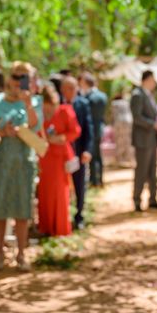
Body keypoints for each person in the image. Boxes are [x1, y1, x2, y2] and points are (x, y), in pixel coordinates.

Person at [0, 61, 42, 271]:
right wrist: (2, 132)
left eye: (24, 77)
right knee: (0, 205)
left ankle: (21, 254)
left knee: (22, 207)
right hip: (0, 160)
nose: (19, 81)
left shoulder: (34, 100)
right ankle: (0, 252)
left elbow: (36, 126)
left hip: (23, 161)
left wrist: (27, 103)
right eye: (16, 76)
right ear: (10, 77)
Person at [37, 86, 81, 236]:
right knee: (45, 192)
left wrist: (61, 138)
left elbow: (75, 130)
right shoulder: (39, 113)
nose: (49, 108)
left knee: (60, 192)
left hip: (61, 158)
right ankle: (46, 227)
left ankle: (60, 228)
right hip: (44, 157)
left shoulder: (65, 110)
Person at [60, 76, 93, 230]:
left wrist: (87, 150)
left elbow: (88, 128)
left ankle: (79, 215)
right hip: (61, 153)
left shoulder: (83, 104)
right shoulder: (57, 104)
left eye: (74, 88)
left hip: (78, 152)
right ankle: (62, 217)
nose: (72, 91)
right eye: (68, 88)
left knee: (80, 185)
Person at [131, 70, 157, 211]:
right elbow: (137, 117)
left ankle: (153, 199)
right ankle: (137, 200)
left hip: (151, 138)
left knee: (152, 170)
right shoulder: (137, 95)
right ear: (146, 79)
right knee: (141, 171)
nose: (154, 82)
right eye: (153, 79)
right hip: (143, 139)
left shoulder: (148, 94)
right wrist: (153, 124)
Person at [79, 72, 108, 187]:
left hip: (91, 130)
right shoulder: (103, 96)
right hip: (99, 128)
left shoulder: (88, 98)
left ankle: (94, 180)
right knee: (98, 156)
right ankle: (99, 179)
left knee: (92, 155)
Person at [111, 92, 134, 167]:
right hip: (129, 122)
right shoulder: (126, 102)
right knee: (128, 141)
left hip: (119, 122)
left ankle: (119, 160)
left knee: (119, 141)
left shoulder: (114, 103)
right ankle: (130, 160)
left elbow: (114, 115)